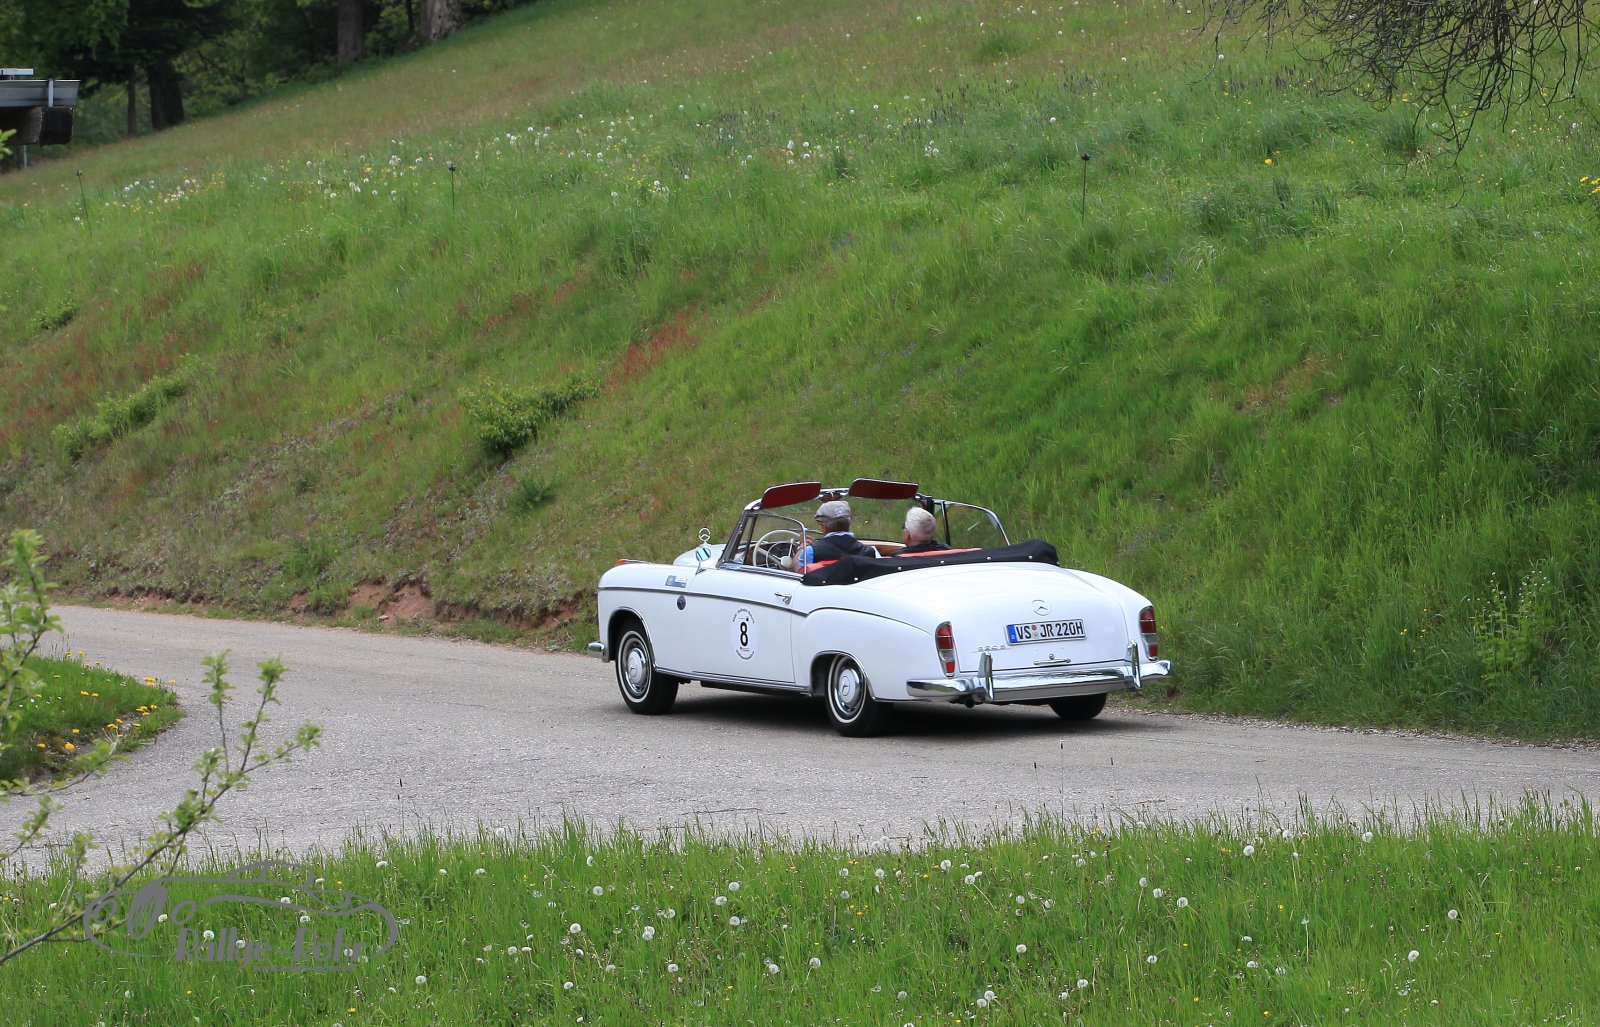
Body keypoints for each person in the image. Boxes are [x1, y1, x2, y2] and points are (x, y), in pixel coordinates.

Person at [794, 499, 878, 569]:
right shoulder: (869, 551)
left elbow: (798, 571)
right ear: (849, 522)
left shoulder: (812, 551)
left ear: (824, 526)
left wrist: (801, 547)